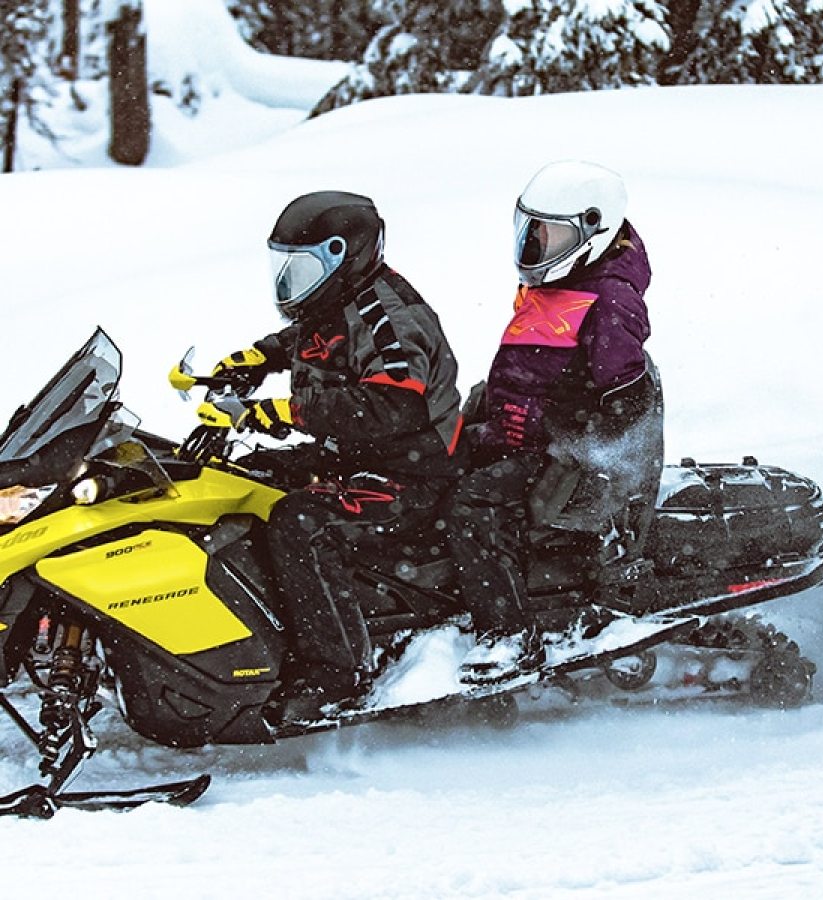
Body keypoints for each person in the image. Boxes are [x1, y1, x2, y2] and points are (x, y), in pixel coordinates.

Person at [206, 190, 463, 712]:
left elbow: (393, 405)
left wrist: (285, 412)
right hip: (356, 456)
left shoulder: (390, 317)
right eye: (286, 268)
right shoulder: (336, 302)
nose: (289, 284)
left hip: (411, 475)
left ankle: (338, 671)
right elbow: (311, 339)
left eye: (301, 269)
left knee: (301, 522)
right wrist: (256, 359)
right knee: (244, 481)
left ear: (345, 256)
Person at [447, 160, 658, 684]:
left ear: (594, 229)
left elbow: (625, 406)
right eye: (533, 232)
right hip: (522, 438)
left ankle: (512, 635)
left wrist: (560, 448)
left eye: (551, 234)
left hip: (569, 461)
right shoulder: (557, 286)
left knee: (472, 506)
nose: (536, 247)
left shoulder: (610, 301)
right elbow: (525, 372)